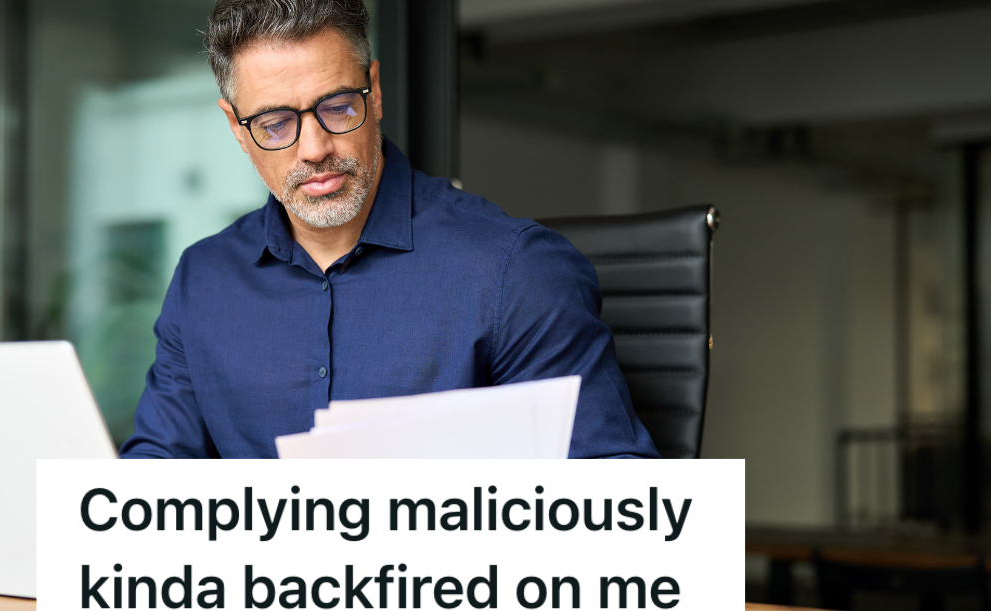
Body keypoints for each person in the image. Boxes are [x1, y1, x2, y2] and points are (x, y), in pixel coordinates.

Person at [119, 0, 659, 459]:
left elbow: (618, 503)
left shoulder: (514, 270)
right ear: (237, 129)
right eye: (275, 124)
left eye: (336, 107)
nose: (314, 149)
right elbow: (153, 483)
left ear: (374, 92)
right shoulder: (204, 280)